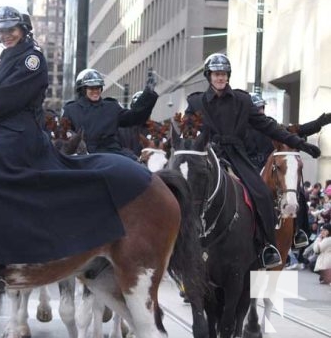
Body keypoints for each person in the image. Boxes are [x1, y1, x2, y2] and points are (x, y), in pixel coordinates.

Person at [0, 6, 152, 288]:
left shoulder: (31, 59)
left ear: (24, 30)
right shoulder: (6, 59)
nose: (6, 35)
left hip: (17, 134)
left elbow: (5, 101)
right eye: (1, 31)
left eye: (11, 30)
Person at [185, 53, 321, 269]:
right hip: (208, 154)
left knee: (263, 194)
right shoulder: (195, 102)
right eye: (216, 74)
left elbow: (269, 127)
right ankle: (183, 247)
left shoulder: (242, 100)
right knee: (186, 192)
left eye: (223, 74)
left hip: (236, 156)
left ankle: (267, 247)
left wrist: (301, 144)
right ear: (209, 76)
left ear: (228, 76)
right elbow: (189, 132)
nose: (220, 78)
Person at [244, 93, 331, 250]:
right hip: (248, 168)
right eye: (257, 109)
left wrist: (320, 122)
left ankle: (299, 232)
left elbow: (296, 131)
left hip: (274, 167)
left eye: (262, 108)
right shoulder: (241, 128)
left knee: (297, 193)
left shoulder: (271, 125)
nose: (260, 112)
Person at [62, 68, 158, 157]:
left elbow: (134, 117)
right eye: (91, 88)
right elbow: (65, 136)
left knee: (137, 167)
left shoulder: (111, 107)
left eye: (98, 88)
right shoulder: (71, 110)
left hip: (111, 154)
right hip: (81, 156)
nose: (95, 91)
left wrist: (148, 94)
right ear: (83, 90)